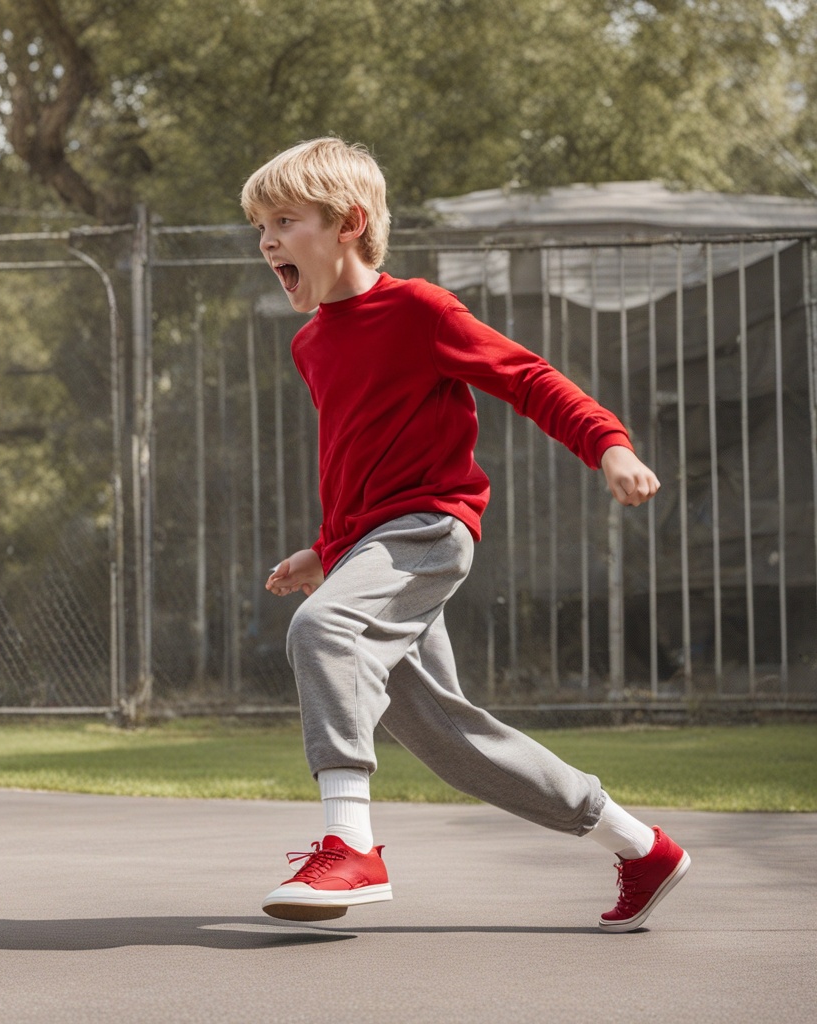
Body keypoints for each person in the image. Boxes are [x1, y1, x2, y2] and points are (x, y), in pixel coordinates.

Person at [239, 137, 690, 932]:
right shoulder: (311, 343)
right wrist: (327, 549)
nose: (267, 241)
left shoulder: (419, 311)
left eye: (284, 221)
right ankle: (640, 846)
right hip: (371, 544)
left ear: (348, 224)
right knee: (452, 741)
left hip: (429, 528)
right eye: (260, 228)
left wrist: (609, 446)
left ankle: (351, 847)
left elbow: (529, 378)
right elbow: (353, 463)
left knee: (322, 630)